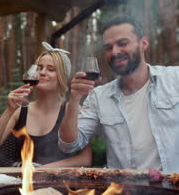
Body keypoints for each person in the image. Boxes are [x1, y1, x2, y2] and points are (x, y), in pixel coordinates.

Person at [58, 14, 179, 171]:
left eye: (123, 43)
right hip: (124, 192)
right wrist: (74, 101)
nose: (115, 52)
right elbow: (69, 145)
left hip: (173, 190)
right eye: (108, 47)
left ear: (143, 43)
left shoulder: (175, 79)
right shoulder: (99, 96)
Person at [0, 42, 92, 168]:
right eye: (39, 68)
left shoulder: (72, 110)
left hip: (57, 181)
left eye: (51, 69)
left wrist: (43, 169)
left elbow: (85, 159)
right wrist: (9, 110)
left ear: (63, 76)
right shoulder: (20, 111)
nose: (42, 72)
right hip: (22, 181)